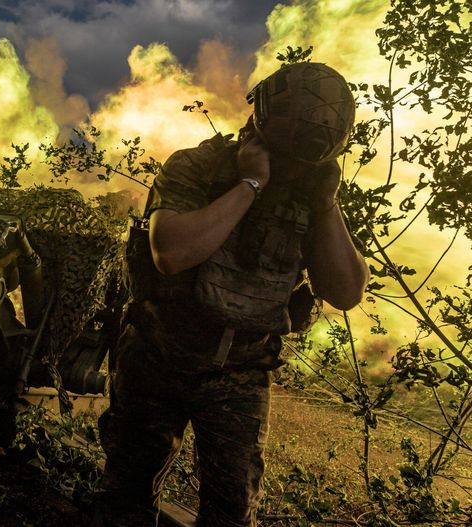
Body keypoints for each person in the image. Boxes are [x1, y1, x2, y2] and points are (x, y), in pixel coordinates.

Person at [95, 62, 369, 525]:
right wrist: (250, 185)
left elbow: (345, 291)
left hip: (240, 369)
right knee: (125, 497)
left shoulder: (312, 192)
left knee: (230, 512)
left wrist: (326, 204)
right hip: (159, 352)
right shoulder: (198, 167)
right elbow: (172, 252)